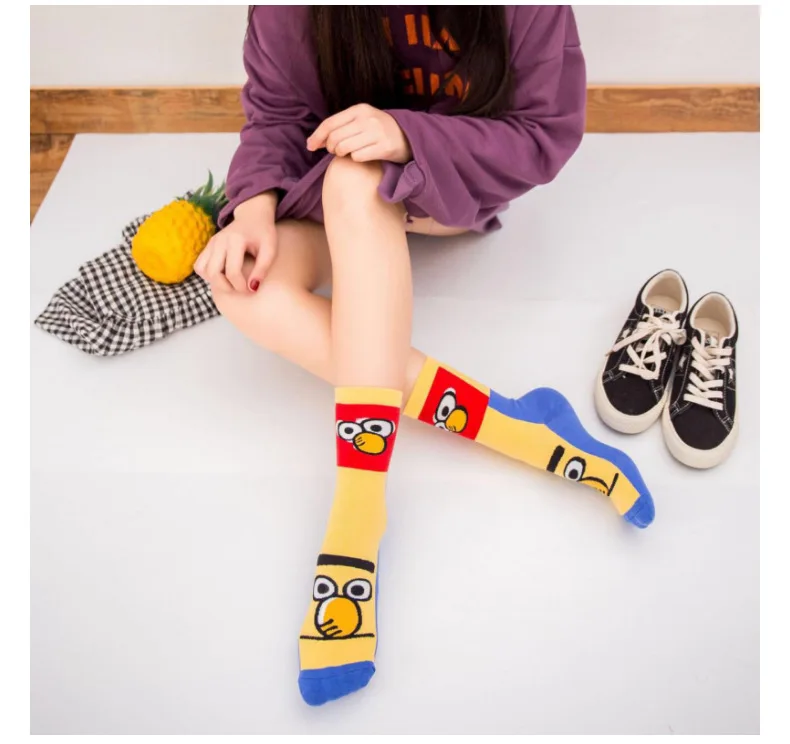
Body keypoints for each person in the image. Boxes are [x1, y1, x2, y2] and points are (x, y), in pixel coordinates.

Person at [194, 5, 652, 707]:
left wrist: (407, 134)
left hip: (448, 187)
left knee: (356, 175)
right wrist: (252, 205)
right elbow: (278, 112)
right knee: (245, 290)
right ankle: (519, 429)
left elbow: (544, 132)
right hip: (330, 200)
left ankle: (356, 520)